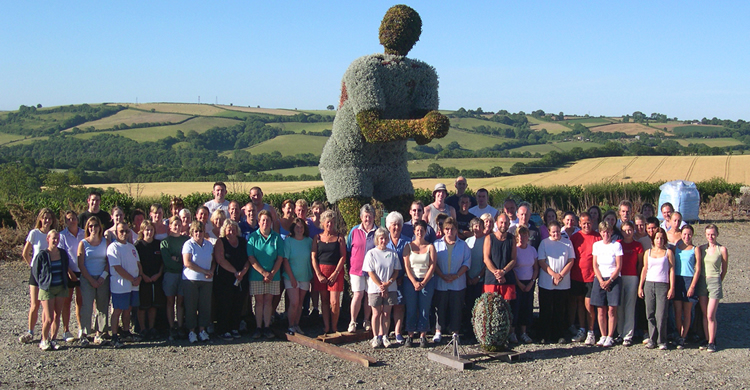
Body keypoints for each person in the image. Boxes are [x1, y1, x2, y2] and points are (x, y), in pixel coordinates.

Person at [20, 208, 57, 344]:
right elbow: (25, 253)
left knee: (45, 304)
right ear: (40, 219)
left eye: (49, 218)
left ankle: (44, 333)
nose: (47, 220)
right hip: (36, 274)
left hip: (49, 274)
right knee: (34, 304)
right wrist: (33, 267)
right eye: (44, 218)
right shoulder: (34, 233)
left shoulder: (53, 235)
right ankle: (30, 331)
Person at [247, 210, 284, 339]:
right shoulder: (253, 237)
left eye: (267, 220)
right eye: (263, 220)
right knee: (259, 302)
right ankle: (258, 327)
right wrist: (263, 273)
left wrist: (272, 273)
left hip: (273, 276)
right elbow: (251, 258)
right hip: (257, 275)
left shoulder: (277, 238)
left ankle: (267, 326)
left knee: (268, 301)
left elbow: (280, 257)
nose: (265, 223)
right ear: (259, 222)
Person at [433, 217, 471, 343]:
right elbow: (433, 263)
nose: (449, 232)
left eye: (452, 229)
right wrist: (442, 275)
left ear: (456, 230)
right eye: (447, 229)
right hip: (441, 281)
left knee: (456, 308)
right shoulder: (436, 245)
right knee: (440, 308)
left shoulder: (463, 245)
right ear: (443, 230)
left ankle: (455, 332)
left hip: (458, 283)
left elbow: (466, 263)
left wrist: (456, 276)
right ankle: (438, 331)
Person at [31, 230, 71, 351]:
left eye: (57, 238)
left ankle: (53, 339)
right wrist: (42, 284)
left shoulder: (63, 253)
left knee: (57, 315)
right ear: (48, 239)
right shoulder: (42, 255)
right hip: (47, 288)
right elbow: (36, 272)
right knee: (48, 318)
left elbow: (65, 267)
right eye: (53, 238)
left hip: (60, 287)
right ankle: (44, 339)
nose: (55, 240)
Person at [363, 227, 402, 348]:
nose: (383, 241)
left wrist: (388, 283)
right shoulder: (371, 253)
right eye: (381, 238)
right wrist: (381, 286)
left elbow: (396, 271)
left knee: (386, 313)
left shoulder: (392, 253)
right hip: (375, 289)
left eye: (385, 238)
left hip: (391, 288)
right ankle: (376, 337)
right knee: (376, 313)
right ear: (377, 239)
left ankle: (384, 336)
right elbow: (370, 272)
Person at [537, 220, 574, 344]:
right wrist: (554, 275)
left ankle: (559, 334)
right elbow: (542, 261)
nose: (556, 234)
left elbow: (571, 260)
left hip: (563, 283)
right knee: (546, 310)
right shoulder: (544, 243)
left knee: (560, 310)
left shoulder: (567, 243)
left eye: (558, 231)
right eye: (553, 232)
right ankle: (544, 335)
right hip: (546, 282)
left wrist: (560, 275)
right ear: (549, 232)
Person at [638, 228, 675, 350]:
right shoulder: (648, 252)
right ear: (653, 239)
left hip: (662, 284)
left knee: (661, 314)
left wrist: (671, 287)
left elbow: (671, 270)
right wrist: (641, 286)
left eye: (661, 238)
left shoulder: (668, 252)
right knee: (650, 313)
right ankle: (652, 339)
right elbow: (645, 269)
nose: (659, 240)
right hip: (649, 284)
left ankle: (662, 340)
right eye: (657, 238)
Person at [402, 220, 437, 348]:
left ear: (425, 232)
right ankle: (410, 335)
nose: (419, 233)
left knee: (424, 308)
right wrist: (414, 282)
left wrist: (423, 282)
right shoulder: (408, 247)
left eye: (422, 231)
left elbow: (432, 265)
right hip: (410, 281)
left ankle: (423, 335)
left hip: (427, 281)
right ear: (414, 232)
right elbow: (407, 266)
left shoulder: (430, 247)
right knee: (411, 308)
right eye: (417, 231)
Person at [483, 213, 517, 341]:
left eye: (506, 223)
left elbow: (514, 259)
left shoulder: (512, 239)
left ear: (509, 224)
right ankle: (490, 335)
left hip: (507, 278)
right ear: (496, 223)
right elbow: (486, 258)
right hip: (491, 279)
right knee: (491, 308)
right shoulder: (489, 238)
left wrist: (503, 271)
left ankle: (506, 335)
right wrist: (496, 273)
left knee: (506, 309)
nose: (503, 225)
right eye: (501, 222)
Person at [108, 222, 143, 348]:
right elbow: (117, 267)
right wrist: (131, 278)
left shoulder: (132, 247)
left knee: (128, 309)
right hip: (120, 284)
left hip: (133, 284)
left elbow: (138, 264)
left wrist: (139, 277)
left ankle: (126, 331)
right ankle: (114, 335)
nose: (124, 234)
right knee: (118, 310)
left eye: (126, 231)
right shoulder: (113, 247)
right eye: (121, 231)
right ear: (116, 233)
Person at [213, 220, 250, 340]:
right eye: (229, 229)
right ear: (224, 230)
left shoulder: (243, 241)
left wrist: (242, 272)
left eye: (233, 229)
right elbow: (220, 259)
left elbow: (249, 258)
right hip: (225, 278)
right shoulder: (221, 242)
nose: (231, 231)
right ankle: (223, 329)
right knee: (225, 303)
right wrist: (234, 272)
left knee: (238, 303)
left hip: (241, 277)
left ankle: (234, 327)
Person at [311, 210, 347, 334]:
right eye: (327, 222)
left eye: (332, 222)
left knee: (334, 302)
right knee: (324, 300)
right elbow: (313, 256)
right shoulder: (317, 238)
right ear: (322, 223)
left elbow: (343, 256)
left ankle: (334, 326)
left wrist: (336, 272)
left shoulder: (339, 237)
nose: (329, 225)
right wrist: (318, 273)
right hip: (321, 271)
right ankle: (326, 326)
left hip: (335, 272)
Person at [568, 212, 601, 345]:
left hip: (591, 276)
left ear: (592, 222)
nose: (586, 225)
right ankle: (582, 329)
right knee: (579, 303)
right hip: (577, 275)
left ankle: (591, 331)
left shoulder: (597, 237)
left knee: (589, 305)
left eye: (588, 222)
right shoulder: (575, 237)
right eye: (584, 223)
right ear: (579, 224)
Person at [77, 216, 110, 345]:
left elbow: (109, 261)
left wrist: (103, 276)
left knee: (102, 306)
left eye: (95, 225)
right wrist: (91, 280)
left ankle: (99, 333)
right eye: (90, 226)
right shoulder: (83, 243)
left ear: (100, 227)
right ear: (87, 228)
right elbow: (81, 264)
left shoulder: (105, 242)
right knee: (87, 306)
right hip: (87, 278)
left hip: (103, 278)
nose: (93, 228)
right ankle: (84, 333)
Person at [696, 224, 728, 353]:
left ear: (717, 234)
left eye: (713, 234)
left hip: (715, 281)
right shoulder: (701, 249)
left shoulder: (722, 250)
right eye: (708, 234)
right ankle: (707, 337)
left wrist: (718, 280)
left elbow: (724, 270)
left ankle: (712, 341)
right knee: (704, 314)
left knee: (711, 315)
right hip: (703, 281)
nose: (711, 237)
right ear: (705, 235)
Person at [591, 221, 623, 348]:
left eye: (608, 231)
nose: (606, 234)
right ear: (600, 232)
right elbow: (595, 265)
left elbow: (619, 266)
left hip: (613, 279)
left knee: (611, 309)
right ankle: (603, 335)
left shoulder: (617, 246)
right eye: (603, 231)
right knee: (600, 309)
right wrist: (601, 280)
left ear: (612, 232)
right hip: (599, 279)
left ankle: (610, 336)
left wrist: (609, 281)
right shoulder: (597, 245)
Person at [346, 204, 378, 333]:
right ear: (361, 217)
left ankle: (367, 320)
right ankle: (353, 321)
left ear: (374, 217)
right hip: (356, 269)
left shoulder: (378, 232)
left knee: (369, 296)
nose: (367, 219)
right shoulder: (354, 231)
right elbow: (348, 249)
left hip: (372, 271)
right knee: (358, 295)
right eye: (365, 217)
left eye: (370, 217)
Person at [182, 221, 214, 343]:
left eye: (200, 231)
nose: (198, 233)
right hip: (191, 280)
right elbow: (187, 262)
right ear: (192, 232)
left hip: (206, 280)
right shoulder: (188, 245)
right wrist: (203, 271)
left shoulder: (208, 245)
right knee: (191, 306)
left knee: (204, 306)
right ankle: (191, 331)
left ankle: (202, 330)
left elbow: (213, 260)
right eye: (196, 231)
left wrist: (210, 271)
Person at [282, 218, 313, 335]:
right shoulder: (288, 241)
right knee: (294, 302)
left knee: (300, 303)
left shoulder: (309, 241)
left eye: (301, 227)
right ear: (293, 228)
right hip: (291, 277)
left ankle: (296, 324)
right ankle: (290, 326)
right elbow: (285, 260)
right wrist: (292, 278)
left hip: (305, 276)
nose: (299, 229)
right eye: (297, 227)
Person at [135, 220, 165, 340]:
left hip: (156, 278)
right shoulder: (138, 245)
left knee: (153, 306)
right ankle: (142, 329)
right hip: (143, 279)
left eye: (151, 230)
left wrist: (158, 274)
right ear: (142, 231)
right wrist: (143, 275)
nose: (149, 232)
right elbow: (136, 263)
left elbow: (163, 262)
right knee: (143, 306)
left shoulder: (158, 244)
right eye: (147, 230)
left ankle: (151, 328)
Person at [57, 211, 84, 343]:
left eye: (73, 218)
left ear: (77, 219)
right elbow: (62, 255)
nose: (71, 221)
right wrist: (69, 272)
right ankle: (66, 330)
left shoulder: (84, 233)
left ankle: (81, 328)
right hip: (68, 271)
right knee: (66, 301)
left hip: (82, 271)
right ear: (65, 222)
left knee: (80, 301)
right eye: (68, 219)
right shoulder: (62, 236)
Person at [161, 215, 189, 340]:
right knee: (170, 302)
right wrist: (179, 260)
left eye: (179, 224)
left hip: (184, 274)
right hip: (170, 275)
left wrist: (178, 259)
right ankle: (172, 326)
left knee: (181, 302)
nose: (177, 227)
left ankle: (181, 326)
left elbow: (188, 259)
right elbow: (167, 261)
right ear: (170, 226)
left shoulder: (186, 240)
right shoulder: (165, 242)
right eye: (174, 225)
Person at [384, 211, 410, 344]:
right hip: (387, 281)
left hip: (402, 279)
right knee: (387, 308)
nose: (396, 227)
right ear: (388, 226)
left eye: (398, 224)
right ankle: (385, 333)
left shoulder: (407, 241)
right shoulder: (383, 241)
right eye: (393, 225)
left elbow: (410, 262)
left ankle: (398, 332)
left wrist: (403, 275)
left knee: (399, 306)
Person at [616, 221, 644, 346]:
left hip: (632, 277)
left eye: (629, 230)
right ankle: (620, 333)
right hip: (619, 277)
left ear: (633, 231)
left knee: (630, 306)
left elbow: (640, 264)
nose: (627, 232)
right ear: (621, 231)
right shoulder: (618, 244)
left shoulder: (638, 245)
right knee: (619, 306)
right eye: (625, 230)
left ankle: (628, 335)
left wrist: (637, 277)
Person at [674, 225, 701, 349]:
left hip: (689, 280)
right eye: (684, 234)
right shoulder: (676, 249)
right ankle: (679, 335)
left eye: (689, 234)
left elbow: (698, 269)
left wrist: (692, 286)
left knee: (687, 311)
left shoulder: (695, 249)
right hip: (678, 279)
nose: (686, 237)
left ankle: (684, 337)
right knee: (678, 312)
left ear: (692, 235)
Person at [463, 217, 488, 339]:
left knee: (480, 307)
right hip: (468, 279)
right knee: (468, 306)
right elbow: (465, 261)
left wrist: (478, 276)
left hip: (481, 280)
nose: (476, 228)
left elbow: (487, 262)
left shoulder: (487, 241)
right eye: (474, 226)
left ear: (483, 228)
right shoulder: (467, 241)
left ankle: (479, 331)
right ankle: (468, 330)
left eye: (479, 226)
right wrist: (467, 276)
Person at [514, 226, 539, 344]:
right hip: (517, 283)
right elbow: (513, 268)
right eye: (519, 235)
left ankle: (524, 332)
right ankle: (512, 332)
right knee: (515, 307)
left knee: (527, 307)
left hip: (529, 282)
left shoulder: (532, 250)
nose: (521, 238)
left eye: (524, 235)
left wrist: (532, 282)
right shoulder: (514, 249)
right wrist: (518, 283)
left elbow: (535, 268)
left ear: (528, 236)